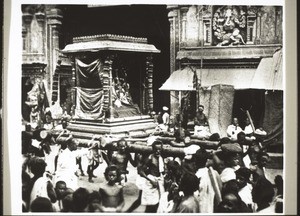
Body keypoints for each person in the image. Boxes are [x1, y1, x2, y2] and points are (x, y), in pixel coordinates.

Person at [194, 148, 222, 213]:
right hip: (212, 208)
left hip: (201, 209)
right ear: (207, 161)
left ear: (195, 161)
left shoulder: (196, 177)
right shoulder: (214, 173)